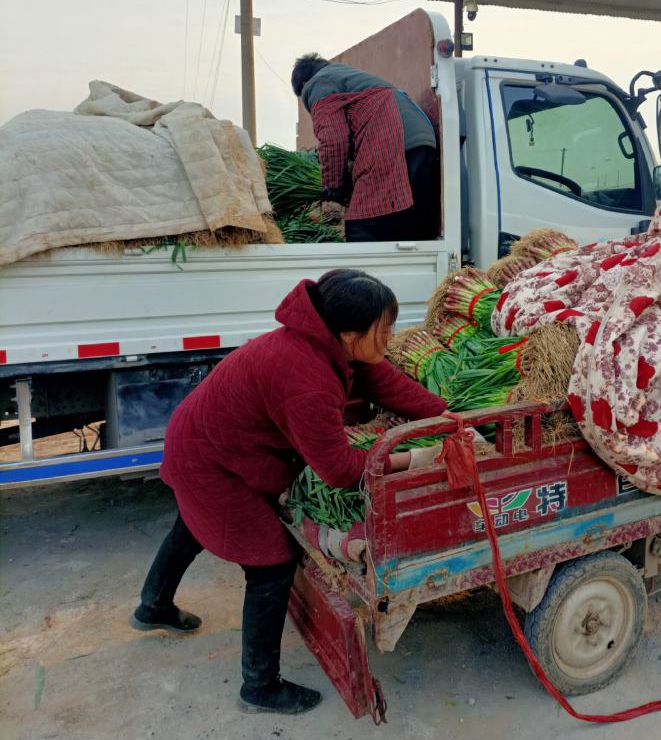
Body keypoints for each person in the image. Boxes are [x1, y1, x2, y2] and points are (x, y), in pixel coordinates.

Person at [130, 270, 449, 715]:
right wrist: (415, 459)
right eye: (385, 329)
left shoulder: (324, 342)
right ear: (349, 333)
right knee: (271, 562)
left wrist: (447, 416)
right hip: (210, 459)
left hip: (206, 438)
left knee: (192, 522)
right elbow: (339, 469)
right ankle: (259, 686)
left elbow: (382, 380)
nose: (391, 337)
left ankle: (153, 606)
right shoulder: (308, 378)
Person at [291, 54, 439, 243]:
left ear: (303, 84)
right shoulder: (349, 76)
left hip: (392, 141)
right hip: (421, 142)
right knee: (405, 228)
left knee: (362, 226)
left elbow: (333, 138)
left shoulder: (318, 83)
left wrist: (332, 187)